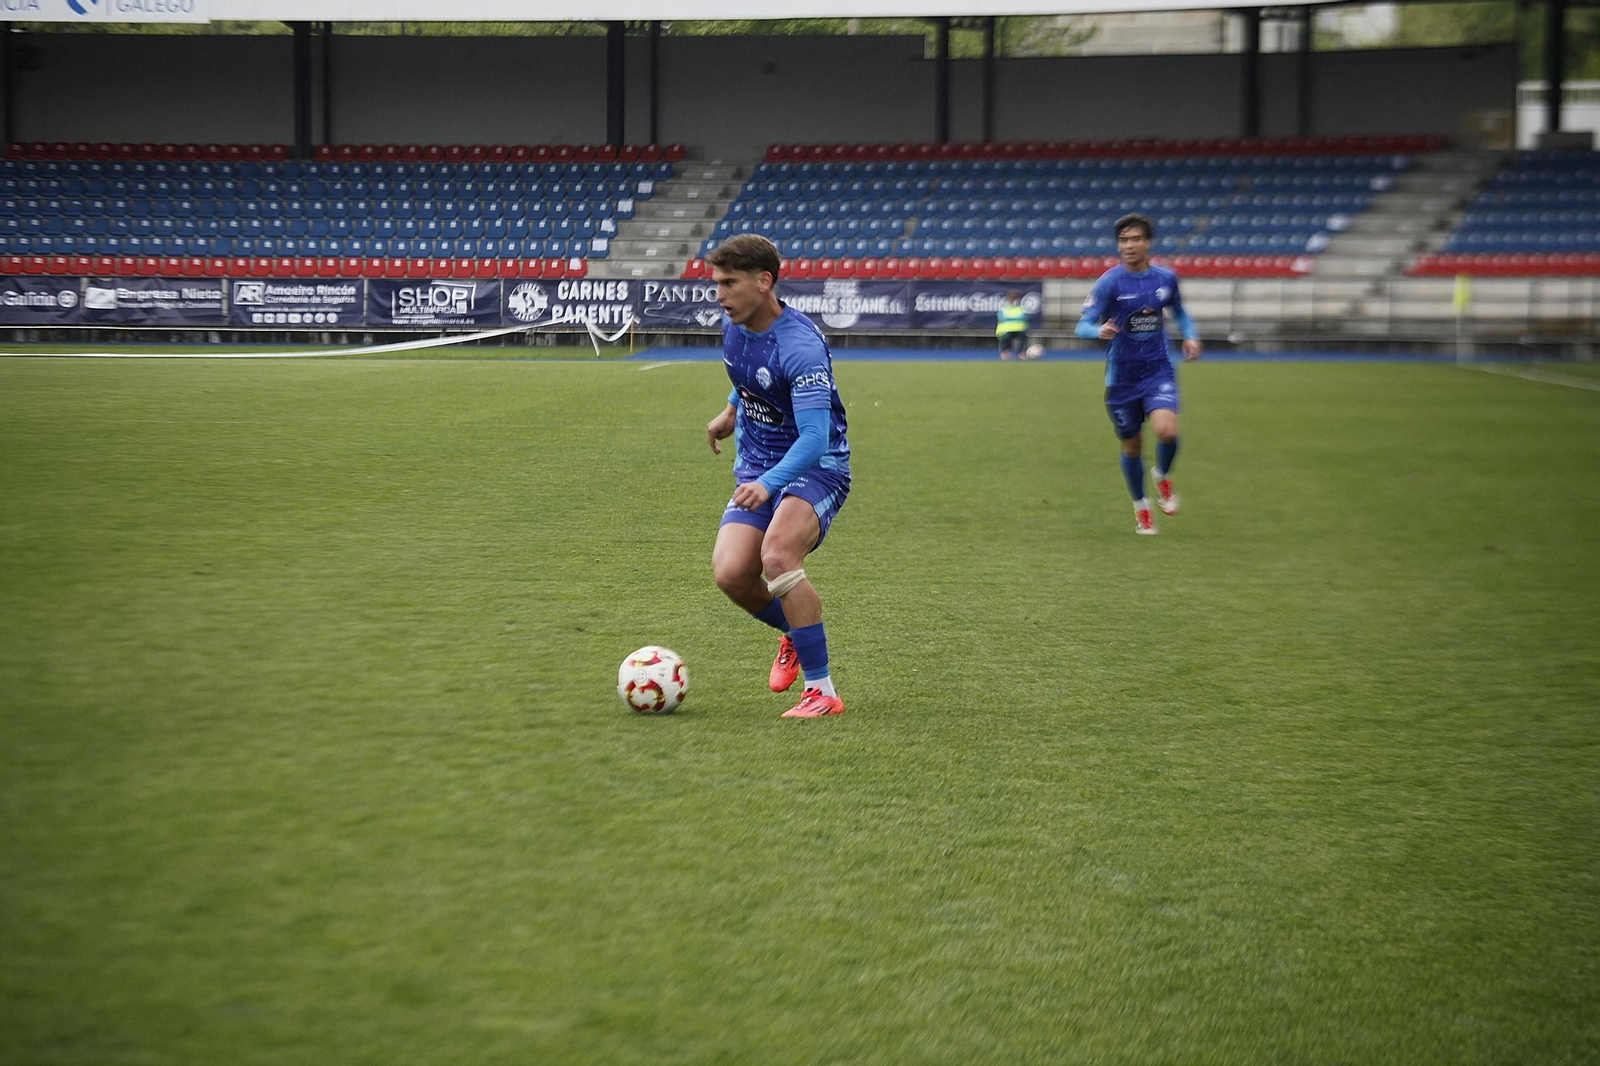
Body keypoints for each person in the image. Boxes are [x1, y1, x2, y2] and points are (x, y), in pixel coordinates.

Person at [704, 234, 852, 718]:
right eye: (716, 283)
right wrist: (729, 411)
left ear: (764, 281)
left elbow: (812, 438)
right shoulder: (735, 325)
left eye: (729, 283)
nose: (719, 295)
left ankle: (822, 691)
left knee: (777, 555)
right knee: (730, 574)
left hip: (817, 466)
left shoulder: (800, 346)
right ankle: (794, 632)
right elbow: (748, 376)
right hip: (758, 463)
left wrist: (769, 484)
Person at [1075, 213, 1201, 535]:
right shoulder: (1110, 282)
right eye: (1124, 240)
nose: (1129, 245)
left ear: (1148, 243)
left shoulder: (1165, 279)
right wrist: (1097, 330)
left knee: (1167, 431)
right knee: (1132, 447)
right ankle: (1142, 507)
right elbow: (1082, 324)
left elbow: (1181, 313)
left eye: (1135, 239)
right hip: (1122, 379)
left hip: (1158, 368)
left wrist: (1190, 334)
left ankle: (1162, 474)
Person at [996, 289, 1032, 360]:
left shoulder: (1021, 308)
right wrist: (1016, 318)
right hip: (1006, 330)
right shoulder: (1003, 308)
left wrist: (1009, 318)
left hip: (1019, 329)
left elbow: (1024, 317)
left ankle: (1021, 353)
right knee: (1005, 337)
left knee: (1023, 336)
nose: (1013, 300)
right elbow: (1001, 318)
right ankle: (1005, 352)